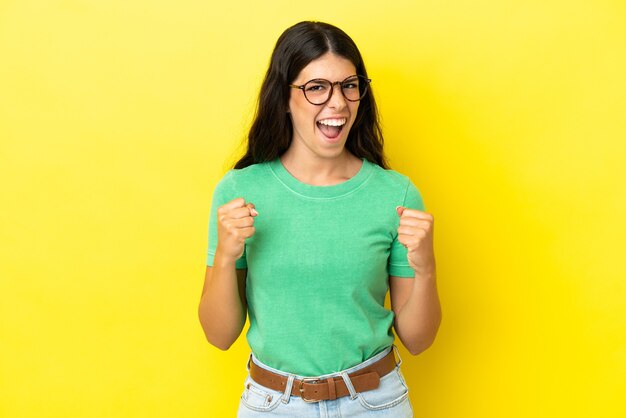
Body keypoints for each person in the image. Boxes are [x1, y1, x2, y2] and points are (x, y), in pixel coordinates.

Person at [198, 21, 442, 417]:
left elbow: (418, 338)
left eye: (349, 85)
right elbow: (219, 334)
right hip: (273, 404)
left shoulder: (395, 195)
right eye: (316, 88)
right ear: (283, 97)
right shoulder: (239, 191)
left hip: (376, 402)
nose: (338, 103)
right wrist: (226, 255)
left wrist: (426, 266)